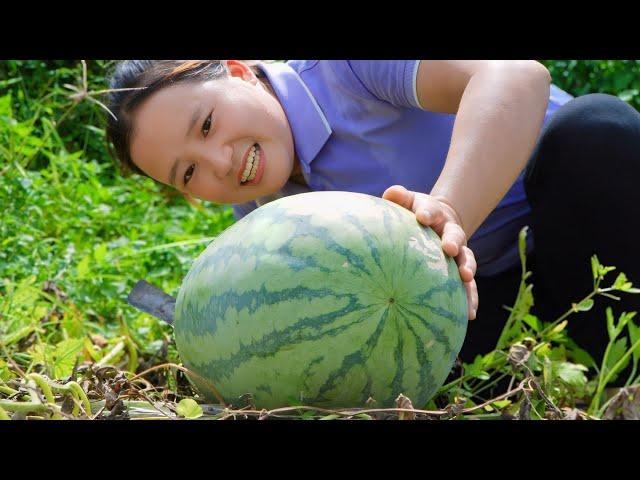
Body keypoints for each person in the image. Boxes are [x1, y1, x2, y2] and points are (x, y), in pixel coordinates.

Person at [105, 60, 640, 379]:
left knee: (593, 130)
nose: (221, 161)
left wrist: (449, 210)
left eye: (207, 125)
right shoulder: (264, 212)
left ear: (240, 71)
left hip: (595, 242)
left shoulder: (342, 73)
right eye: (189, 171)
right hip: (500, 298)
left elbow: (516, 76)